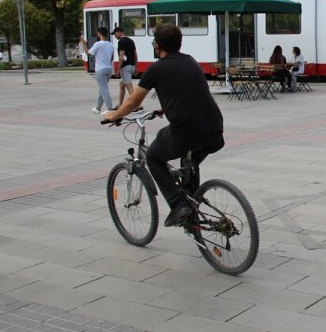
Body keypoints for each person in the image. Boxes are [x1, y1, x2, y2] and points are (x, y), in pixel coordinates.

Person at [103, 24, 224, 227]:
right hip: (214, 128)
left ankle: (178, 205)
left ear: (157, 46)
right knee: (190, 164)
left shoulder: (156, 68)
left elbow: (133, 102)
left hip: (187, 130)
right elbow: (187, 94)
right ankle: (192, 203)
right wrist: (164, 109)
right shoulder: (191, 61)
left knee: (153, 157)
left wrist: (114, 115)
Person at [79, 27, 115, 114]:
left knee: (104, 89)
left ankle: (110, 108)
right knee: (102, 89)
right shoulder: (110, 44)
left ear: (99, 34)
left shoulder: (98, 44)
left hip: (100, 69)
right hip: (109, 69)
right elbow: (112, 57)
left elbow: (89, 53)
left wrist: (84, 44)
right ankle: (98, 108)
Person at [112, 27, 139, 109]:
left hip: (125, 67)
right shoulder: (131, 41)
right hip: (132, 66)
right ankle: (120, 105)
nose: (115, 36)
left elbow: (121, 56)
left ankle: (138, 106)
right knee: (122, 85)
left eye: (115, 34)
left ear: (119, 32)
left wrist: (118, 69)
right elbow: (135, 55)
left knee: (129, 87)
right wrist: (136, 67)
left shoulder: (121, 42)